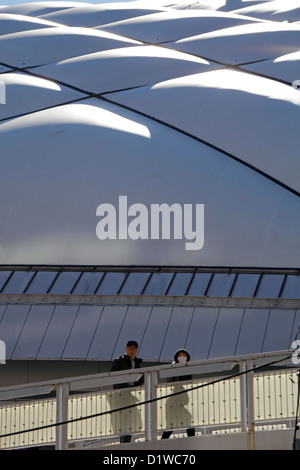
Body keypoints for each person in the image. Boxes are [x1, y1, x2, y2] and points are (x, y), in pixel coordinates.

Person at [109, 340, 143, 443]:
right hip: (122, 393)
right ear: (126, 349)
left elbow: (141, 378)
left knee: (131, 417)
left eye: (134, 349)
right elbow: (113, 376)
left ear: (136, 350)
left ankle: (129, 438)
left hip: (133, 394)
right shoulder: (119, 360)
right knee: (123, 417)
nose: (132, 351)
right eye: (130, 348)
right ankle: (123, 440)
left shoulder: (137, 362)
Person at [162, 348, 195, 439]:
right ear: (176, 358)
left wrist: (187, 369)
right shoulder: (172, 367)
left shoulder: (189, 367)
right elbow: (169, 381)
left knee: (188, 421)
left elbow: (190, 381)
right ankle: (163, 441)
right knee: (171, 423)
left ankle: (191, 439)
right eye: (180, 355)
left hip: (183, 398)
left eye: (184, 355)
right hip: (173, 399)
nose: (182, 357)